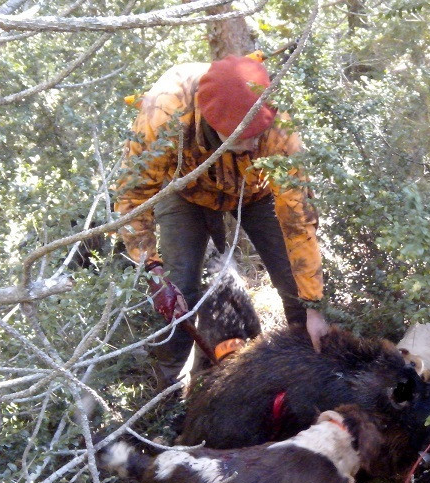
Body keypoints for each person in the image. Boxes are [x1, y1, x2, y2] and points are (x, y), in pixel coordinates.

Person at [114, 54, 329, 381]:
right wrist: (153, 269)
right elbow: (133, 197)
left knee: (295, 286)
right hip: (185, 188)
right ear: (217, 125)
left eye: (261, 131)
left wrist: (314, 307)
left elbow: (299, 222)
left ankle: (307, 373)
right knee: (179, 289)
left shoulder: (277, 129)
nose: (258, 140)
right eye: (248, 135)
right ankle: (168, 388)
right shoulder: (163, 116)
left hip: (255, 190)